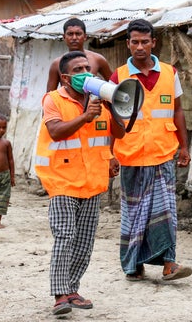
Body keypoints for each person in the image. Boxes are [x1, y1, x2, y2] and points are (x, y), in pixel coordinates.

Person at [35, 51, 125, 316]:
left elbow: (117, 133)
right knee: (65, 235)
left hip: (92, 180)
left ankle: (72, 288)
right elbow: (55, 131)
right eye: (78, 69)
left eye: (88, 67)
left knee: (84, 241)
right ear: (65, 78)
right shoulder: (53, 99)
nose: (86, 72)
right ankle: (60, 294)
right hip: (61, 179)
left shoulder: (99, 100)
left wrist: (115, 109)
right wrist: (86, 116)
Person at [110, 19, 192, 282]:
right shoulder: (119, 77)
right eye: (134, 42)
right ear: (128, 44)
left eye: (145, 41)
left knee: (165, 212)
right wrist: (109, 154)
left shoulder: (170, 73)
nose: (140, 47)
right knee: (134, 214)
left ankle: (169, 264)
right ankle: (134, 265)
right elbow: (110, 118)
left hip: (162, 154)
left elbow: (178, 110)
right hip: (131, 155)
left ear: (153, 43)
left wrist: (184, 146)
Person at [46, 18, 112, 92]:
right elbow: (50, 95)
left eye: (78, 34)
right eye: (70, 34)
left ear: (85, 37)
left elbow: (113, 86)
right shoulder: (57, 64)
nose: (74, 38)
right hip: (68, 103)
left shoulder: (97, 59)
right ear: (64, 37)